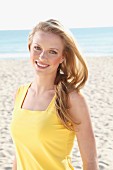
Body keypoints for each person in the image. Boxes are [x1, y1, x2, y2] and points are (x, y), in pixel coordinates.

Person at [10, 19, 99, 170]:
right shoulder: (20, 93)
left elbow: (90, 162)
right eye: (37, 48)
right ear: (29, 47)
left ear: (63, 57)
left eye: (52, 52)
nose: (42, 57)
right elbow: (19, 155)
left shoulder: (71, 99)